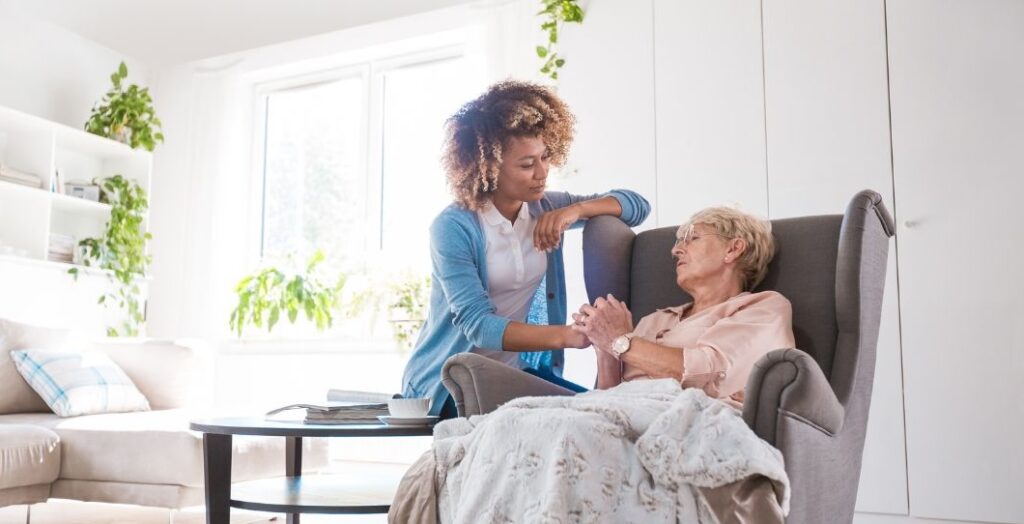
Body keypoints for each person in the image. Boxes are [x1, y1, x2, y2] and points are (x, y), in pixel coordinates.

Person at [401, 80, 651, 418]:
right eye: (526, 164)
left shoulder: (545, 207)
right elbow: (479, 325)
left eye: (546, 157)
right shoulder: (453, 227)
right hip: (451, 385)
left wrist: (574, 211)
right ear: (487, 168)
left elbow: (637, 205)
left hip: (513, 377)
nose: (543, 172)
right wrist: (569, 335)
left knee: (598, 413)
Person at [572, 206, 795, 409]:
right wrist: (604, 349)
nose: (675, 250)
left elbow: (710, 374)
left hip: (696, 422)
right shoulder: (654, 320)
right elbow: (605, 402)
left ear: (733, 249)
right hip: (623, 419)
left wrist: (618, 341)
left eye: (692, 238)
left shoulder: (763, 309)